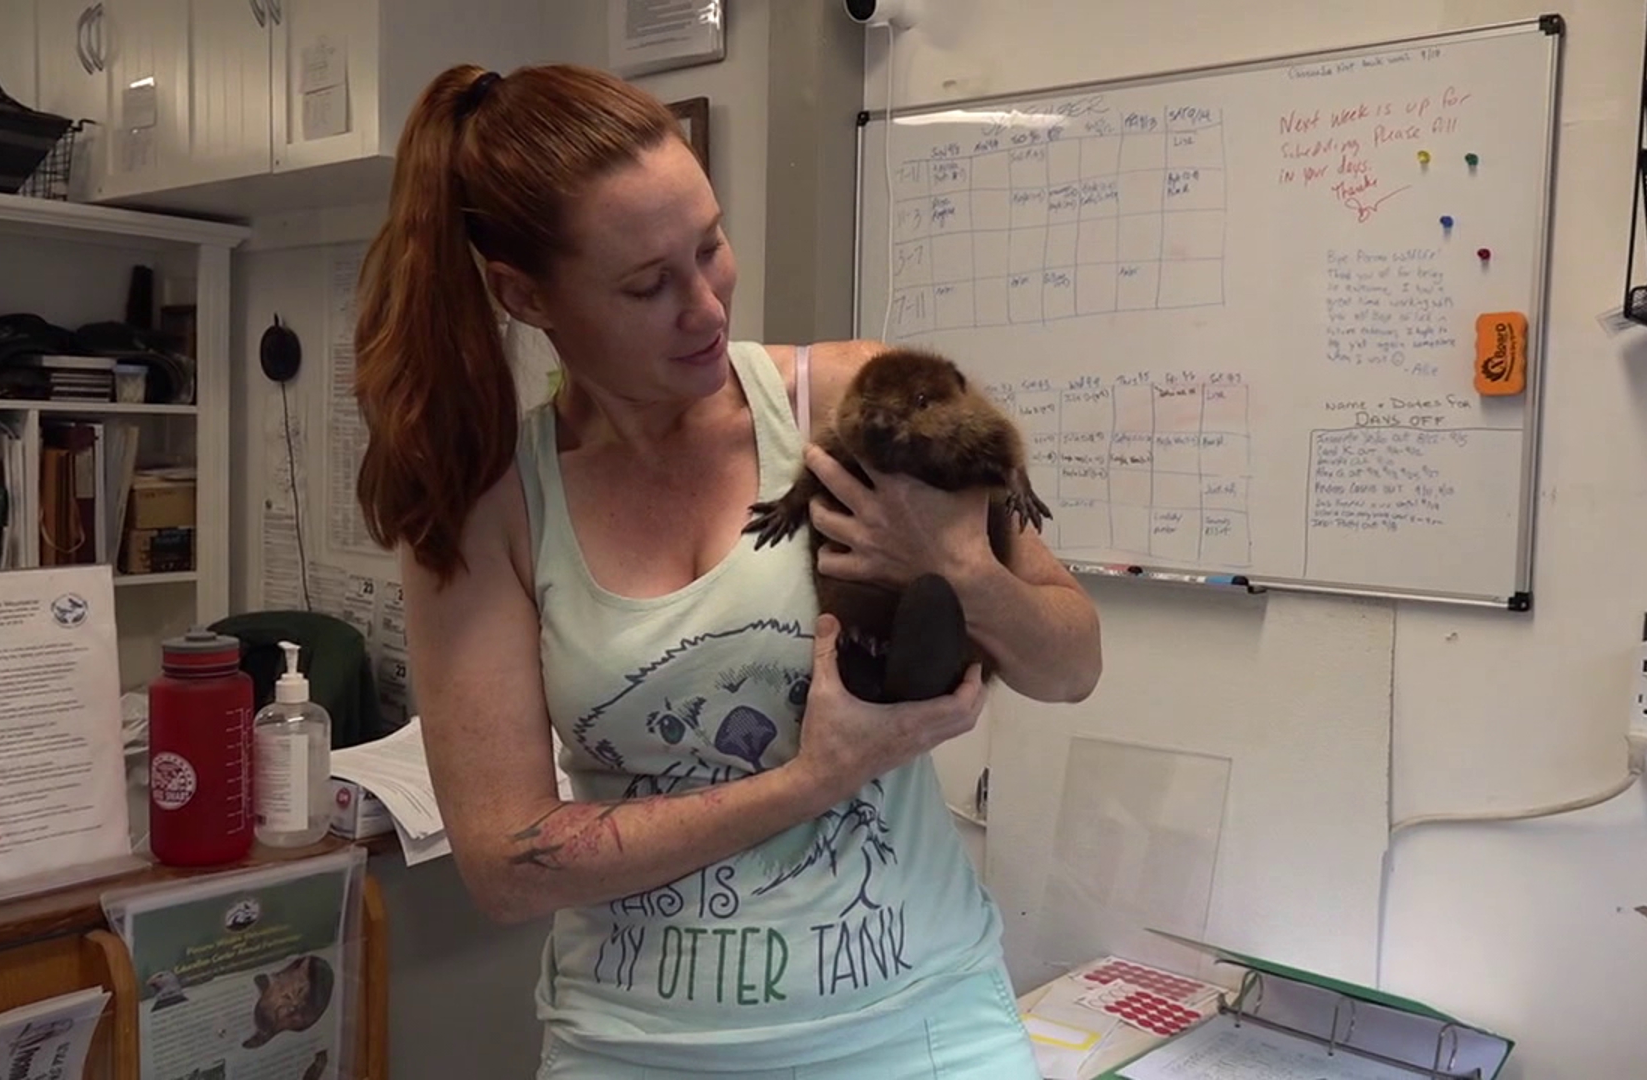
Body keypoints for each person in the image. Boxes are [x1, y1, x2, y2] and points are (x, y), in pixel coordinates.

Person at [352, 61, 1103, 1078]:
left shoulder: (844, 401)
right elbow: (506, 868)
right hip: (638, 1050)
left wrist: (954, 568)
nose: (706, 307)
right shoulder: (487, 503)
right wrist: (815, 778)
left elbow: (1070, 667)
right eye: (646, 285)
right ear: (525, 296)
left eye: (709, 246)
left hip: (922, 1025)